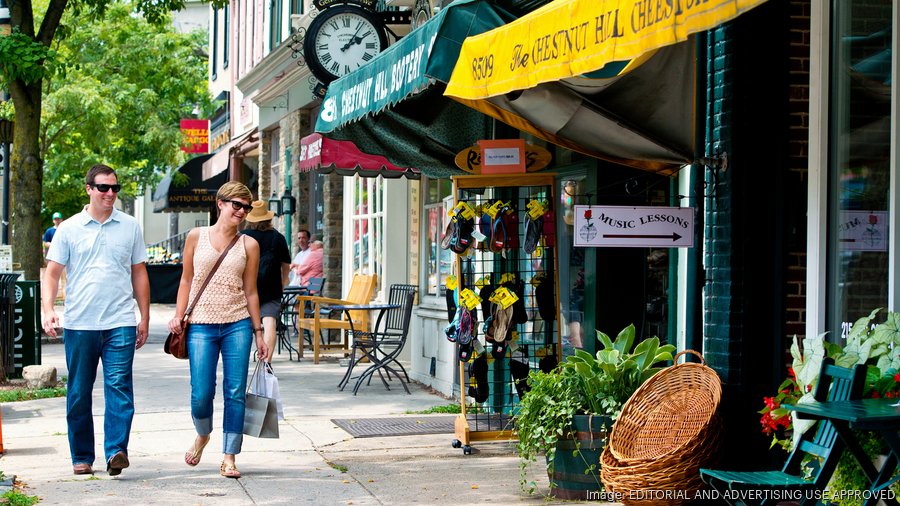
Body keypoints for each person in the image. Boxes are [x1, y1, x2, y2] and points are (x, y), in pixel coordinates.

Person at [40, 164, 150, 477]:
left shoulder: (129, 226)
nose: (110, 194)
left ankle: (116, 450)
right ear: (89, 188)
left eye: (115, 188)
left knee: (119, 387)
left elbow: (139, 271)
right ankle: (82, 456)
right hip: (80, 323)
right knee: (78, 392)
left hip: (120, 321)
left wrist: (144, 316)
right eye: (104, 188)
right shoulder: (70, 228)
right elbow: (53, 273)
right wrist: (48, 309)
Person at [168, 181, 268, 479]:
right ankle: (203, 434)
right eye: (236, 205)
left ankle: (229, 456)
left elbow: (251, 291)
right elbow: (186, 280)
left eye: (246, 207)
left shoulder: (249, 244)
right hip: (200, 323)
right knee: (201, 392)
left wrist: (259, 331)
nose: (242, 211)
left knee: (235, 392)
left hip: (237, 324)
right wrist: (178, 315)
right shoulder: (196, 237)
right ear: (220, 203)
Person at [241, 200, 291, 362]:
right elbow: (285, 265)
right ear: (267, 218)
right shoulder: (278, 237)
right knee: (270, 322)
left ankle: (241, 361)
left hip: (247, 287)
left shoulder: (243, 238)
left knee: (245, 325)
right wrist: (283, 282)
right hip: (271, 286)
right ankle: (267, 362)